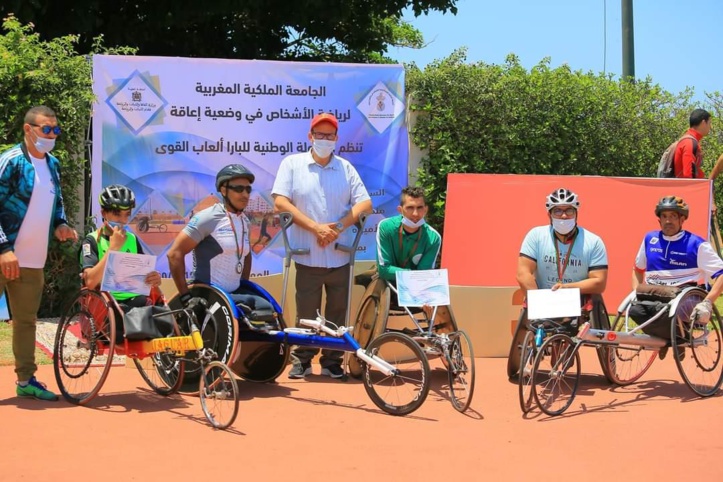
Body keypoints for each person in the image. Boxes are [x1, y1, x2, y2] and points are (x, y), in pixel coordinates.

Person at [272, 113, 372, 379]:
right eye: (320, 135)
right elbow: (281, 202)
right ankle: (302, 361)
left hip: (339, 255)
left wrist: (336, 228)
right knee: (306, 313)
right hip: (307, 255)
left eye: (330, 136)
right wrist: (315, 228)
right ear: (310, 137)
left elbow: (364, 204)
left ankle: (331, 362)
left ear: (336, 139)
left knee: (337, 313)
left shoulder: (345, 168)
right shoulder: (292, 165)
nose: (324, 140)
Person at [0, 105, 78, 401]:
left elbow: (56, 202)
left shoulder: (53, 164)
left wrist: (61, 224)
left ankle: (25, 380)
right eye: (46, 129)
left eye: (56, 130)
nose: (52, 135)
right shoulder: (11, 161)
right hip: (3, 253)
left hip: (32, 259)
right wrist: (4, 248)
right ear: (28, 129)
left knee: (26, 321)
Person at [507, 187, 608, 378]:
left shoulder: (593, 242)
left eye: (568, 210)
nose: (563, 215)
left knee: (565, 335)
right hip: (543, 294)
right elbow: (523, 273)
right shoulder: (536, 236)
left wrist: (567, 288)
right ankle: (534, 352)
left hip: (576, 296)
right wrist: (540, 300)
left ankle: (561, 353)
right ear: (549, 214)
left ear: (576, 213)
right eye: (557, 210)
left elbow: (599, 282)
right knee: (538, 318)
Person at [167, 164, 272, 313]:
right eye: (239, 189)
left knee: (268, 309)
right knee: (261, 309)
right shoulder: (207, 218)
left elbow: (245, 256)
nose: (245, 194)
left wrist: (244, 284)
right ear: (224, 190)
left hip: (234, 294)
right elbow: (174, 254)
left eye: (248, 189)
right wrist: (185, 297)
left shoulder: (245, 222)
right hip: (210, 294)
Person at [630, 196, 723, 359]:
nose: (668, 221)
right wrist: (635, 292)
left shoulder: (697, 244)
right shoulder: (649, 240)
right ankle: (671, 339)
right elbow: (637, 269)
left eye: (673, 216)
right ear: (659, 220)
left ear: (682, 219)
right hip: (654, 293)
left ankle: (671, 338)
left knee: (667, 312)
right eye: (664, 216)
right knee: (634, 309)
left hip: (683, 296)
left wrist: (708, 302)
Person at [79, 184, 162, 316]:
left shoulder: (132, 239)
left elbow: (142, 275)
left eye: (127, 214)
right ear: (103, 213)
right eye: (117, 214)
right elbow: (89, 282)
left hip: (134, 300)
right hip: (105, 304)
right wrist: (113, 248)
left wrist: (153, 277)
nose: (123, 220)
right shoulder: (91, 240)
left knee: (160, 317)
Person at [376, 186, 441, 318]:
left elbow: (424, 272)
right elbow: (384, 269)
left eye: (420, 208)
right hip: (388, 283)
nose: (415, 214)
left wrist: (424, 294)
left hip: (414, 288)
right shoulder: (385, 227)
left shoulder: (434, 238)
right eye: (410, 208)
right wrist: (413, 276)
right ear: (400, 210)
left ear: (426, 209)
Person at [673, 109, 712, 179]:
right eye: (709, 123)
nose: (711, 127)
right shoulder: (690, 142)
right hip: (686, 188)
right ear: (703, 123)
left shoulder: (691, 140)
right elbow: (688, 174)